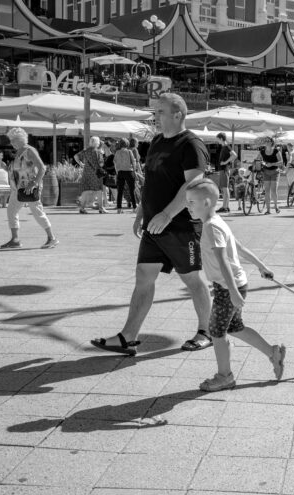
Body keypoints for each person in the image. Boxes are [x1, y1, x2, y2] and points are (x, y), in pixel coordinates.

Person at [91, 92, 213, 356]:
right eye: (155, 112)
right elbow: (152, 182)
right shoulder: (157, 141)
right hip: (154, 224)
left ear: (178, 114)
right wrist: (141, 212)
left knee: (192, 279)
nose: (155, 117)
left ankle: (206, 331)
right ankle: (128, 337)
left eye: (160, 112)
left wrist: (167, 214)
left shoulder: (191, 144)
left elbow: (193, 184)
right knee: (144, 277)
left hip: (180, 225)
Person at [185, 178, 286, 393]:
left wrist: (231, 291)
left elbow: (223, 261)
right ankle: (272, 352)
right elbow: (238, 247)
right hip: (235, 284)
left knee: (216, 331)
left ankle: (225, 377)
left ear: (206, 202)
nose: (188, 206)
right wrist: (261, 266)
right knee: (234, 327)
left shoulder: (212, 226)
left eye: (191, 202)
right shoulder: (217, 221)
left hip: (227, 286)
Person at [0, 127, 58, 250]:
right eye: (11, 140)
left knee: (37, 212)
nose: (11, 143)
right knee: (11, 211)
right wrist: (6, 168)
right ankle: (15, 239)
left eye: (13, 140)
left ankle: (52, 238)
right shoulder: (19, 152)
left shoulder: (29, 150)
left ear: (20, 139)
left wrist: (34, 183)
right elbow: (18, 171)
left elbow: (42, 168)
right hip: (18, 189)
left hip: (29, 188)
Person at [75, 136, 107, 213]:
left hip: (86, 173)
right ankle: (101, 208)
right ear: (97, 143)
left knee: (85, 191)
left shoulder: (85, 151)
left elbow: (75, 156)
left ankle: (82, 208)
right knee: (99, 190)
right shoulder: (98, 152)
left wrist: (81, 163)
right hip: (96, 174)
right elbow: (101, 164)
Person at [259, 136, 282, 214]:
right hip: (266, 172)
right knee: (267, 191)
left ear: (272, 142)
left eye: (268, 141)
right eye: (265, 141)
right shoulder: (262, 151)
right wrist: (262, 163)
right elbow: (258, 160)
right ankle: (268, 210)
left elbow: (281, 162)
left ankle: (276, 206)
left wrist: (272, 164)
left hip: (275, 171)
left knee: (273, 190)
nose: (267, 142)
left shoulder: (276, 151)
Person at [113, 139, 137, 213]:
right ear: (127, 144)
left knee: (120, 191)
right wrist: (135, 171)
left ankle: (119, 208)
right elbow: (133, 161)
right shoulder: (129, 151)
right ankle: (134, 207)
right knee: (132, 190)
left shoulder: (117, 152)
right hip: (129, 171)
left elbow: (115, 162)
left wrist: (117, 171)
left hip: (120, 172)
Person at [215, 132, 234, 213]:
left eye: (218, 139)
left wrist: (225, 162)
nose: (217, 141)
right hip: (223, 169)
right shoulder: (224, 147)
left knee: (225, 189)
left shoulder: (226, 146)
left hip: (224, 169)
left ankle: (225, 207)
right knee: (224, 189)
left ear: (221, 139)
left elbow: (234, 155)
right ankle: (225, 206)